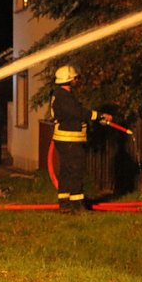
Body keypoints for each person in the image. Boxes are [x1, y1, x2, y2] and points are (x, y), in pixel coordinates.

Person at [50, 65, 112, 213]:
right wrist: (100, 116)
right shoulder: (63, 96)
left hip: (66, 139)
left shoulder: (60, 94)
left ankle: (65, 203)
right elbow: (78, 113)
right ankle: (77, 205)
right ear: (69, 79)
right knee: (76, 170)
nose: (77, 81)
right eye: (75, 78)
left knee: (66, 170)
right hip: (69, 139)